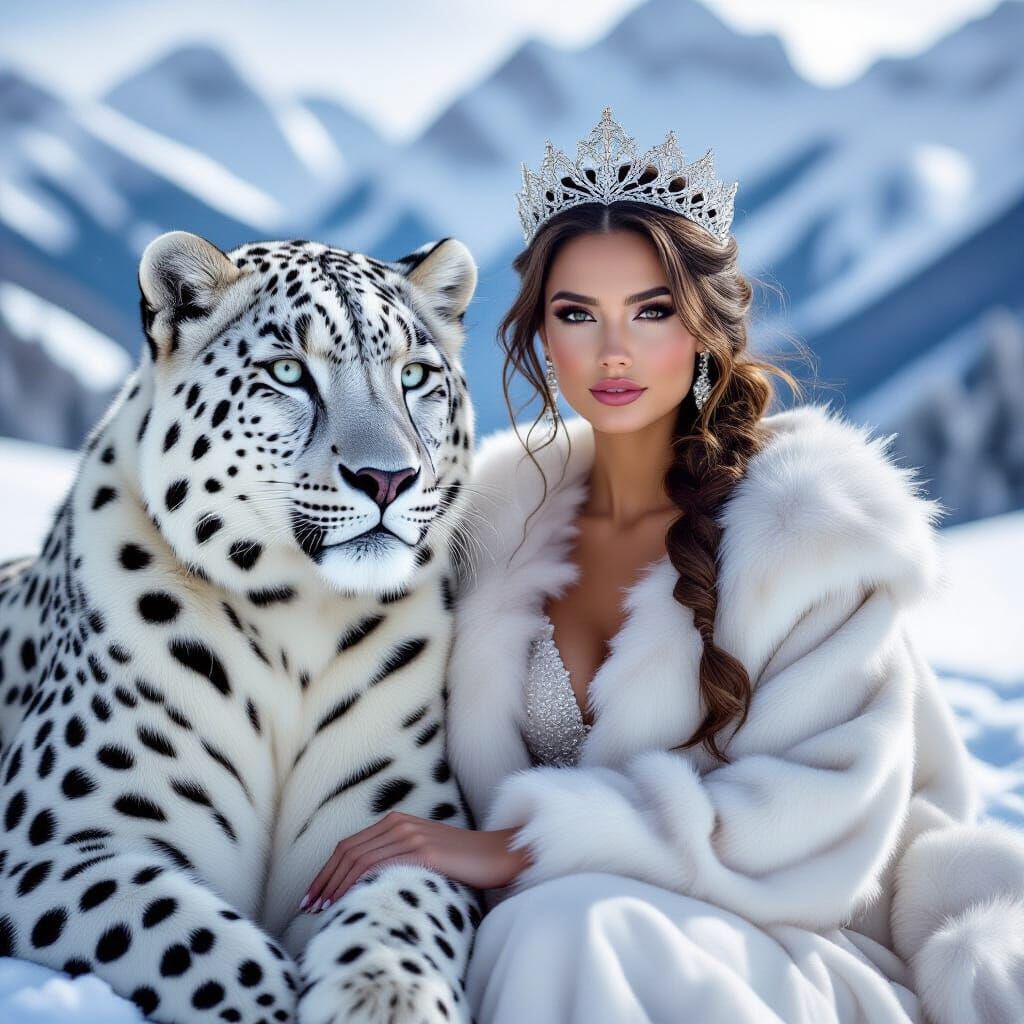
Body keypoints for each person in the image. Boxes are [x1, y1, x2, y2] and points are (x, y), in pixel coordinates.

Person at [303, 108, 1024, 1023]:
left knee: (562, 928)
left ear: (702, 334)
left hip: (791, 947)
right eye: (577, 314)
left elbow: (824, 813)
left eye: (650, 312)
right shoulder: (488, 529)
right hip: (541, 935)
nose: (612, 351)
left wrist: (520, 848)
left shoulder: (807, 533)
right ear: (538, 338)